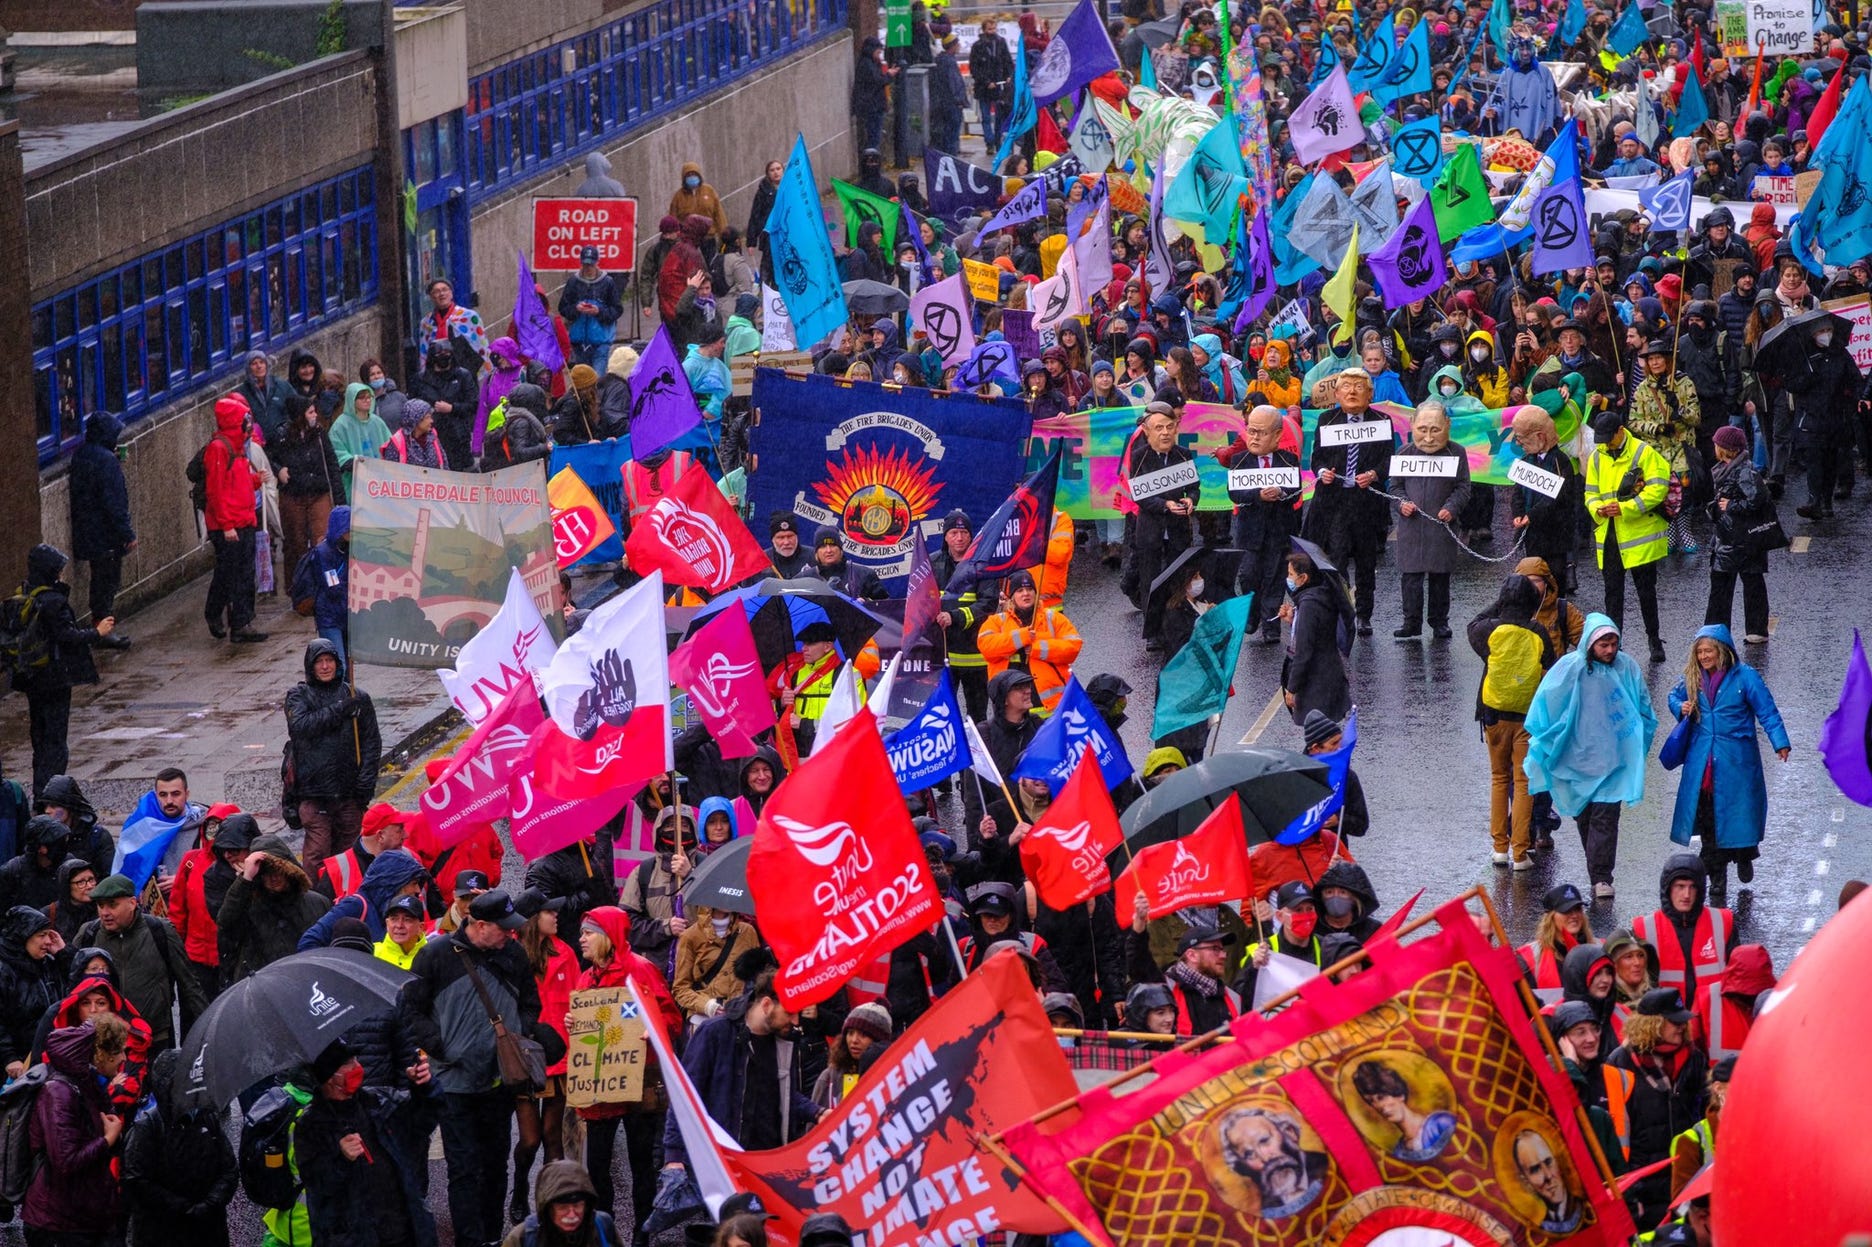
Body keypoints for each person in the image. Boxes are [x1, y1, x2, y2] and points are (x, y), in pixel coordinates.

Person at [403, 889, 564, 1247]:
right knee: (463, 1170)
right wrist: (442, 1046)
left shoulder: (513, 954)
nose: (510, 934)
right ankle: (469, 1241)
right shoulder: (435, 955)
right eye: (502, 928)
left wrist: (516, 1036)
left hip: (498, 1083)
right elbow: (411, 1011)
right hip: (454, 1085)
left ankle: (492, 1237)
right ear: (478, 924)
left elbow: (529, 1003)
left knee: (495, 1167)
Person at [1524, 614, 1658, 900]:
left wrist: (1636, 749)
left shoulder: (1627, 668)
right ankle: (1597, 868)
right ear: (1589, 644)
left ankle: (1601, 877)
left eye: (1613, 644)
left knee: (1606, 818)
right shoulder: (1569, 669)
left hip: (1614, 763)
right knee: (1585, 817)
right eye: (1603, 645)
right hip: (1577, 760)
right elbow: (1546, 704)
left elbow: (1643, 708)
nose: (1610, 650)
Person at [572, 907, 682, 1233]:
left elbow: (671, 1019)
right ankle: (605, 1232)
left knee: (641, 1165)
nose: (582, 940)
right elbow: (583, 1028)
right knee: (597, 1167)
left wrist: (655, 1028)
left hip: (639, 1082)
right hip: (601, 1089)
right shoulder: (585, 976)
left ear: (607, 937)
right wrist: (572, 1023)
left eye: (588, 933)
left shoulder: (641, 971)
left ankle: (641, 1234)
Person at [661, 951, 821, 1170]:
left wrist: (817, 1112)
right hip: (717, 1163)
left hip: (762, 1166)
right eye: (790, 1013)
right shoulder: (715, 1033)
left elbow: (782, 1093)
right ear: (766, 1005)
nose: (795, 1021)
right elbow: (685, 1095)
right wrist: (674, 1156)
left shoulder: (786, 1042)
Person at [1665, 625, 1790, 900]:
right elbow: (1673, 696)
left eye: (1708, 651)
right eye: (1699, 651)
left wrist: (1780, 742)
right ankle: (1718, 879)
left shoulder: (1746, 677)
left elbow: (1767, 711)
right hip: (1703, 763)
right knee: (1710, 819)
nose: (1703, 656)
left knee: (1739, 814)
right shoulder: (1693, 677)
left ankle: (1746, 853)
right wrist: (1680, 707)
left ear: (1722, 651)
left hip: (1737, 762)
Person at [293, 1038, 437, 1247]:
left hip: (403, 1230)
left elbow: (421, 1124)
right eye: (348, 1063)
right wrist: (341, 1158)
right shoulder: (311, 1125)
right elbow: (317, 1184)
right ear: (331, 1077)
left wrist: (422, 1088)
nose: (357, 1066)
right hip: (353, 1237)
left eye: (356, 1059)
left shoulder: (378, 1101)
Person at [9, 545, 116, 797]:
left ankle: (40, 791)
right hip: (55, 678)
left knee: (40, 736)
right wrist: (97, 632)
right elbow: (66, 636)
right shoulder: (53, 601)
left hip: (32, 677)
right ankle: (52, 795)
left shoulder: (24, 595)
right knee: (56, 740)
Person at [1467, 574, 1556, 869]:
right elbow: (1551, 668)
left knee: (1498, 778)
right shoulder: (1538, 631)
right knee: (1523, 781)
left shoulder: (1488, 630)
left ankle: (1499, 848)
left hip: (1494, 714)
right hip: (1527, 718)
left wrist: (1501, 604)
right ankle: (1520, 852)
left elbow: (1473, 623)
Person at [71, 872, 203, 1056]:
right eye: (101, 906)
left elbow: (189, 984)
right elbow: (72, 988)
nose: (105, 912)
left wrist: (205, 1028)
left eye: (112, 905)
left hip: (155, 1038)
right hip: (105, 1041)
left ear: (132, 903)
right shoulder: (89, 934)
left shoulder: (160, 931)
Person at [1607, 988, 1708, 1227]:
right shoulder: (1619, 1063)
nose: (1682, 1027)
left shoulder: (1693, 1058)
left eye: (1683, 1021)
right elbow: (1617, 1130)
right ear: (1652, 1024)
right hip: (1644, 1182)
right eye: (1674, 1022)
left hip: (1685, 1176)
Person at [24, 1019, 128, 1245]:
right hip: (58, 1223)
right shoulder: (58, 1093)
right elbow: (66, 1161)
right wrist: (108, 1139)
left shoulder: (88, 1082)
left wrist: (113, 1136)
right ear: (101, 1053)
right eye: (120, 1050)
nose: (124, 1058)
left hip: (85, 1215)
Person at [121, 1048, 238, 1246]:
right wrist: (181, 1207)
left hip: (208, 1229)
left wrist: (210, 1203)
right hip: (162, 1233)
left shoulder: (207, 1117)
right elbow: (137, 1180)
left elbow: (229, 1169)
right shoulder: (147, 1127)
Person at [1307, 369, 1394, 634]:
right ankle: (1344, 610)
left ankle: (1364, 615)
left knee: (1367, 562)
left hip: (1366, 503)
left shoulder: (1382, 421)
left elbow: (1389, 459)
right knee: (1337, 559)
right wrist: (1324, 473)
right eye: (1346, 386)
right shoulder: (1327, 419)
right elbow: (1316, 459)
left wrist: (1374, 474)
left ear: (1370, 394)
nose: (1352, 391)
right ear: (1336, 393)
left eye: (1359, 386)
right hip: (1334, 503)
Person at [286, 638, 383, 875]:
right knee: (318, 852)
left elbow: (372, 742)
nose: (325, 666)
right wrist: (340, 709)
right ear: (311, 666)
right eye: (319, 662)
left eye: (329, 660)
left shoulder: (357, 696)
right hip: (314, 794)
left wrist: (365, 784)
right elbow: (300, 726)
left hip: (349, 794)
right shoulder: (299, 695)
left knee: (349, 854)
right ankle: (316, 901)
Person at [509, 891, 577, 1224]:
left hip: (560, 1058)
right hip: (525, 1056)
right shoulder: (512, 956)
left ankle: (551, 1205)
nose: (556, 917)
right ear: (535, 919)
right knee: (529, 1140)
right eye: (551, 912)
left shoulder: (566, 953)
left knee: (553, 1138)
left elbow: (578, 999)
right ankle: (519, 1186)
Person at [1583, 410, 1671, 664]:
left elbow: (1659, 488)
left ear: (1620, 431)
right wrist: (1596, 508)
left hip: (1639, 538)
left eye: (1608, 437)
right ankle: (1614, 646)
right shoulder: (1597, 457)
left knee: (1646, 593)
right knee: (1613, 595)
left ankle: (1654, 642)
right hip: (1610, 535)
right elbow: (1590, 492)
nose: (1604, 443)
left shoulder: (1643, 452)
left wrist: (1626, 508)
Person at [1216, 404, 1303, 644]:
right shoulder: (1239, 460)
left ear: (1276, 435)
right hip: (1249, 532)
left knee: (1275, 577)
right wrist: (1258, 494)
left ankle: (1271, 624)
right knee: (1248, 575)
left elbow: (1295, 493)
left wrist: (1281, 491)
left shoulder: (1289, 460)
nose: (1254, 437)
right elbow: (1235, 493)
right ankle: (1252, 613)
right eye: (1250, 431)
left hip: (1279, 531)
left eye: (1261, 433)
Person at [1391, 403, 1471, 640]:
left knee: (1440, 576)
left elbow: (1463, 487)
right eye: (1422, 429)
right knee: (1411, 576)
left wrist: (1451, 508)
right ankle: (1411, 623)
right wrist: (1401, 503)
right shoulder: (1404, 452)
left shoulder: (1457, 452)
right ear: (1412, 425)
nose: (1427, 437)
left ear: (1448, 426)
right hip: (1411, 526)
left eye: (1435, 430)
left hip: (1442, 526)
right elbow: (1394, 487)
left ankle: (1439, 622)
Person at [1127, 403, 1199, 648]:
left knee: (1178, 579)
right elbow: (1140, 495)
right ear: (1147, 431)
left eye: (1170, 427)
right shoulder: (1140, 457)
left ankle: (1176, 628)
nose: (1165, 432)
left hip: (1178, 529)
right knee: (1150, 580)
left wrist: (1191, 499)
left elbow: (1194, 487)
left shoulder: (1183, 455)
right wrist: (1165, 504)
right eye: (1159, 428)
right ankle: (1153, 632)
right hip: (1151, 530)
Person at [218, 834, 332, 983]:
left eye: (278, 871)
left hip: (308, 979)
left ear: (289, 871)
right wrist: (244, 879)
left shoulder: (317, 902)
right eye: (266, 873)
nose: (273, 878)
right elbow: (225, 922)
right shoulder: (248, 905)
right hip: (265, 983)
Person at [66, 413, 136, 640]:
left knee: (100, 579)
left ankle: (101, 625)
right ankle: (102, 629)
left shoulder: (82, 455)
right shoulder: (106, 461)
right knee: (106, 583)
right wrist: (127, 533)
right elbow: (114, 502)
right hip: (106, 534)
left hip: (88, 530)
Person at [1629, 855, 1735, 1001]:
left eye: (1692, 887)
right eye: (1680, 886)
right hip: (1666, 1021)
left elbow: (1739, 979)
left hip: (1712, 1020)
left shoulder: (1723, 923)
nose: (1686, 895)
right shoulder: (1643, 929)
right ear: (1668, 889)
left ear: (1700, 891)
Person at [1703, 424, 1774, 643]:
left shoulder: (1744, 471)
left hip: (1742, 538)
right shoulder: (1728, 468)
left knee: (1738, 583)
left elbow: (1757, 500)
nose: (1713, 447)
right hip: (1729, 537)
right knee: (1727, 584)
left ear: (1725, 449)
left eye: (1717, 444)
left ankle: (1739, 630)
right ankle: (1723, 630)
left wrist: (1730, 505)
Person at [977, 569, 1082, 713]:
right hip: (1010, 707)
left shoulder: (1053, 618)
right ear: (1011, 597)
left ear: (1036, 593)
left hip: (1050, 706)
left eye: (1029, 589)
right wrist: (1021, 637)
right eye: (1020, 590)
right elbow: (987, 647)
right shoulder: (997, 621)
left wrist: (1037, 648)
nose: (1026, 594)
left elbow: (1072, 647)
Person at [1126, 910, 1241, 1037]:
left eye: (1222, 950)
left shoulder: (1233, 997)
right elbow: (1139, 963)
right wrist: (1139, 928)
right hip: (1180, 1057)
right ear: (1192, 955)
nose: (1223, 955)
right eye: (1215, 949)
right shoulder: (1165, 987)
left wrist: (1256, 967)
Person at [1279, 548, 1351, 727]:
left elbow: (1303, 651)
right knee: (1329, 739)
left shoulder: (1309, 605)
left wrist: (1292, 688)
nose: (1288, 579)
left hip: (1316, 686)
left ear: (1303, 578)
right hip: (1330, 678)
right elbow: (1319, 630)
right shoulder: (1321, 596)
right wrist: (1294, 620)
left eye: (1291, 574)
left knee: (1318, 742)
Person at [0, 905, 68, 1079]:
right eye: (41, 935)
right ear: (23, 936)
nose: (48, 941)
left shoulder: (49, 963)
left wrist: (64, 954)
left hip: (52, 1058)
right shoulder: (4, 971)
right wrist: (9, 1057)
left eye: (49, 934)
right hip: (18, 1067)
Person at [1235, 882, 1325, 1006]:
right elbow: (1242, 1002)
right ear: (1280, 916)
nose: (1305, 915)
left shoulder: (1327, 947)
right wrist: (1254, 970)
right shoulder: (1260, 951)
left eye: (1309, 909)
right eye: (1298, 910)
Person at [672, 905, 763, 1026]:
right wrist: (707, 1005)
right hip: (703, 1020)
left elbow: (758, 977)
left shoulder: (748, 932)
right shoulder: (690, 936)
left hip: (740, 1017)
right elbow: (680, 988)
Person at [502, 1160, 618, 1247]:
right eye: (563, 1208)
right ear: (548, 1209)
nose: (572, 1216)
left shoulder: (603, 1227)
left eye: (577, 1206)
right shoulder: (521, 1238)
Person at [1691, 947, 1772, 1063]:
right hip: (1720, 1079)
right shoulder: (1780, 998)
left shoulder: (1707, 998)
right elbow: (1691, 1048)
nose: (1751, 997)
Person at [409, 343, 480, 470]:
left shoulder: (462, 375)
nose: (444, 358)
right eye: (440, 355)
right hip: (432, 436)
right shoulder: (421, 379)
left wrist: (452, 408)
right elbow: (413, 406)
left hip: (459, 436)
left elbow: (473, 404)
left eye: (447, 354)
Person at [810, 1001, 892, 1109]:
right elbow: (815, 1123)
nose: (854, 1040)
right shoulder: (829, 1078)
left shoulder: (893, 1078)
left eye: (863, 1034)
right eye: (850, 1033)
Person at [1519, 884, 1594, 996]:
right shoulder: (1528, 959)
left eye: (1578, 909)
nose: (1574, 915)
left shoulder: (1599, 948)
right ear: (1551, 918)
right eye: (1567, 910)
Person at [559, 246, 625, 369]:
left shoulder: (608, 283)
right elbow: (563, 308)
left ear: (597, 263)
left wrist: (599, 311)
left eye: (591, 264)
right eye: (585, 264)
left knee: (597, 381)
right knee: (583, 382)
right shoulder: (573, 282)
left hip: (601, 342)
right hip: (578, 343)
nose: (588, 268)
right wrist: (576, 309)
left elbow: (617, 310)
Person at [327, 381, 391, 504]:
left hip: (379, 481)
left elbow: (390, 445)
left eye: (369, 397)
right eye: (362, 398)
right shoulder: (340, 426)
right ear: (352, 400)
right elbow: (337, 453)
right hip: (354, 481)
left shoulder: (377, 422)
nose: (367, 400)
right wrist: (359, 464)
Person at [417, 277, 489, 373]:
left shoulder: (469, 317)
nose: (441, 294)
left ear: (451, 293)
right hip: (437, 375)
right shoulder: (426, 323)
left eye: (444, 290)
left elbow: (481, 347)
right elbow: (424, 353)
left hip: (465, 374)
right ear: (431, 296)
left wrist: (469, 370)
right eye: (436, 291)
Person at [969, 16, 1013, 154]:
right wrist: (986, 82)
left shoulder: (1001, 42)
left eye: (994, 28)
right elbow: (974, 67)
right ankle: (989, 143)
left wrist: (1008, 76)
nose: (992, 31)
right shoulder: (978, 46)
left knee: (999, 117)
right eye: (989, 29)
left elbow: (1007, 61)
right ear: (984, 30)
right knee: (986, 117)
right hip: (984, 87)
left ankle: (998, 141)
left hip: (999, 85)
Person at [668, 162, 728, 238]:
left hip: (708, 237)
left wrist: (724, 234)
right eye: (688, 175)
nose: (692, 177)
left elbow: (719, 214)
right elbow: (672, 218)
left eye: (694, 174)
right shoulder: (678, 197)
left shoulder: (709, 191)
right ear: (684, 178)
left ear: (699, 176)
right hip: (688, 239)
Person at [930, 32, 968, 153]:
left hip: (942, 103)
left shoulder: (940, 60)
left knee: (945, 133)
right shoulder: (950, 62)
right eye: (957, 43)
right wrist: (960, 100)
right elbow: (954, 83)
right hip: (952, 104)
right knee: (952, 134)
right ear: (953, 46)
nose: (959, 45)